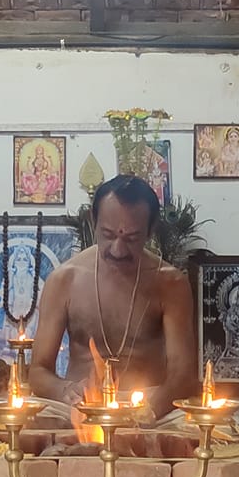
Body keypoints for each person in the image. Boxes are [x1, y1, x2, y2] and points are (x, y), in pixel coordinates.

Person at [29, 175, 197, 420]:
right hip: (78, 406)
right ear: (94, 222)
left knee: (199, 429)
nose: (118, 250)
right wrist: (64, 390)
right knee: (28, 424)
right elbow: (38, 371)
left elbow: (183, 375)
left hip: (150, 405)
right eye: (108, 234)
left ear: (150, 231)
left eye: (131, 238)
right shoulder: (64, 280)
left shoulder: (170, 283)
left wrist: (148, 411)